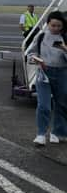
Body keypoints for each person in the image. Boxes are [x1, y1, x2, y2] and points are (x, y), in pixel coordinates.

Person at [26, 11, 67, 146]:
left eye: (59, 26)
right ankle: (41, 134)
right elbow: (31, 53)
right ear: (47, 24)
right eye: (53, 25)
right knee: (44, 105)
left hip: (61, 73)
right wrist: (36, 59)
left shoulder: (65, 37)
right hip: (44, 73)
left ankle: (57, 132)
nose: (55, 28)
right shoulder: (42, 36)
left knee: (61, 104)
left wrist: (65, 50)